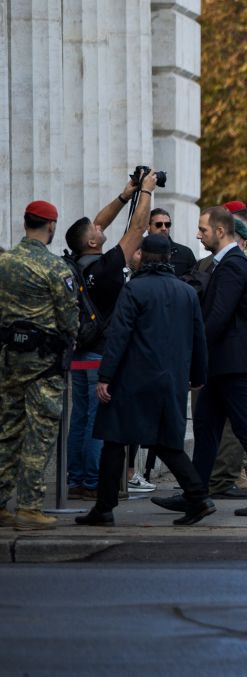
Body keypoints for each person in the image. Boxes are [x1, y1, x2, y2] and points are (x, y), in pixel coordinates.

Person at [76, 232, 212, 526]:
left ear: (144, 256)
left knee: (115, 437)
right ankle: (197, 497)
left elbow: (119, 335)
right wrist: (199, 375)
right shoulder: (186, 292)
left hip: (133, 378)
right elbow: (199, 337)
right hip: (171, 379)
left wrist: (105, 375)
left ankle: (105, 507)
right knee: (165, 442)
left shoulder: (134, 289)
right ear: (167, 258)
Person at [174, 205, 247, 518]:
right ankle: (195, 494)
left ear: (220, 232)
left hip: (234, 361)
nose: (198, 235)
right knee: (207, 428)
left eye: (203, 230)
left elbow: (218, 316)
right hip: (223, 361)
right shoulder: (225, 262)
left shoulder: (233, 263)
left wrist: (195, 351)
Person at [62, 171, 155, 501]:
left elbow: (97, 223)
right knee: (96, 421)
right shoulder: (108, 267)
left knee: (81, 417)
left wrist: (124, 196)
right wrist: (146, 192)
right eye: (96, 231)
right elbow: (138, 230)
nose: (101, 228)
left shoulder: (77, 262)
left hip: (78, 354)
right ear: (92, 242)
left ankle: (77, 478)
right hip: (101, 354)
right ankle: (90, 481)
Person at [0, 201, 79, 530]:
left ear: (25, 223)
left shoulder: (3, 261)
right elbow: (69, 319)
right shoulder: (55, 268)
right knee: (40, 433)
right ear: (51, 226)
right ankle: (29, 507)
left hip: (8, 359)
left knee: (7, 431)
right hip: (43, 364)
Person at [147, 208, 197, 277]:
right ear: (148, 227)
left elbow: (194, 282)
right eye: (159, 224)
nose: (164, 228)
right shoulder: (138, 251)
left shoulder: (185, 253)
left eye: (167, 224)